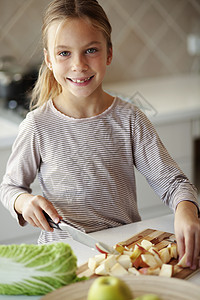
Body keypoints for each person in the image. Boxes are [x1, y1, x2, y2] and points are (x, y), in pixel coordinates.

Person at [0, 0, 199, 269]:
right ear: (48, 59)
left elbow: (173, 183)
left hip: (119, 256)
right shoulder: (38, 125)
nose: (78, 65)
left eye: (90, 50)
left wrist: (186, 210)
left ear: (108, 54)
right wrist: (24, 202)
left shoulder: (130, 119)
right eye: (64, 53)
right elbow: (10, 188)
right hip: (62, 258)